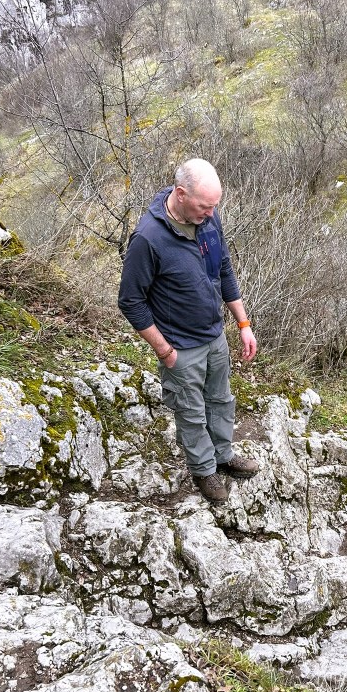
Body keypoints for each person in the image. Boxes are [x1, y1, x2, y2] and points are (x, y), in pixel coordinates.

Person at [118, 158, 258, 502]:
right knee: (191, 411)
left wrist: (243, 324)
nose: (210, 213)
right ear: (180, 194)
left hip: (214, 336)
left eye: (214, 206)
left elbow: (223, 268)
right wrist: (164, 350)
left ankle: (223, 456)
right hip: (180, 346)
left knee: (221, 400)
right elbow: (130, 301)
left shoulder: (208, 219)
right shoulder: (148, 239)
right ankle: (204, 471)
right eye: (204, 205)